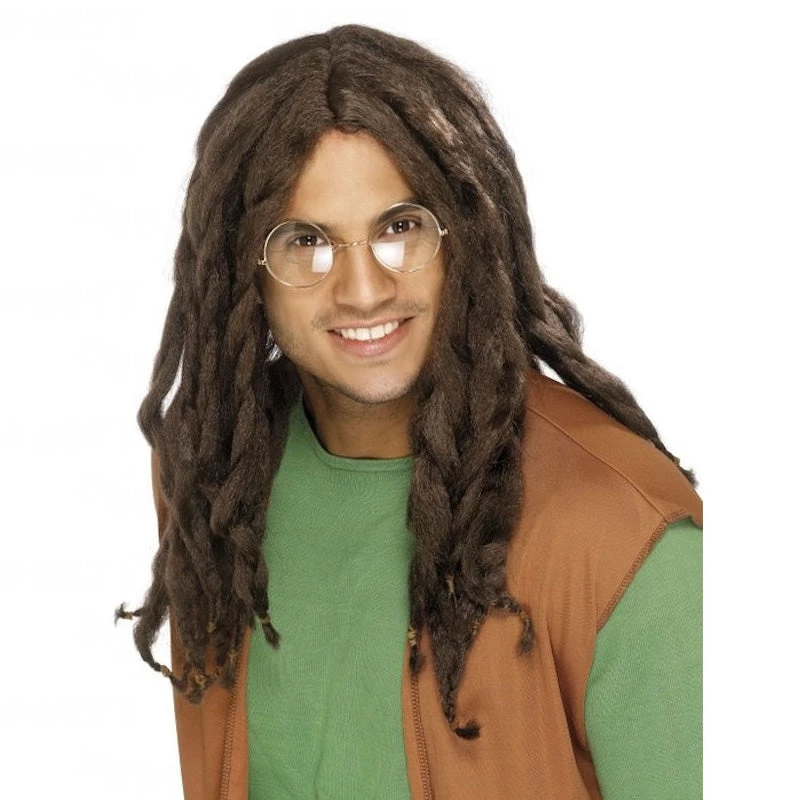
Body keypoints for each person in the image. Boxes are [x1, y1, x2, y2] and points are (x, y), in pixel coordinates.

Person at [118, 24, 702, 800]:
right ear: (243, 272)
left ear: (470, 234)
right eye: (306, 241)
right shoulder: (212, 477)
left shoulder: (622, 535)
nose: (363, 291)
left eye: (400, 228)